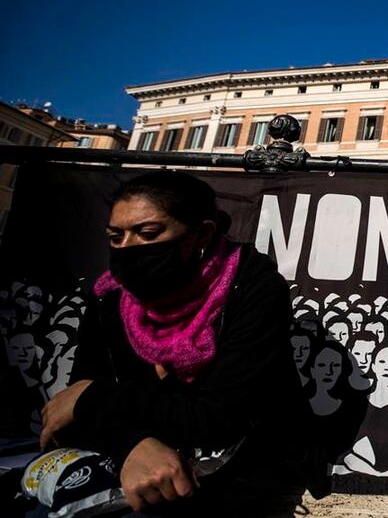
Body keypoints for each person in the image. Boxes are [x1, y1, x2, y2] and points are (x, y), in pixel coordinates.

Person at [39, 171, 307, 512]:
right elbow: (76, 407)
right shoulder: (109, 296)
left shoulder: (254, 287)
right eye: (116, 237)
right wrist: (133, 445)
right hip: (143, 475)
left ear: (201, 235)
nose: (128, 250)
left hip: (248, 477)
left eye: (148, 234)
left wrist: (98, 396)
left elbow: (220, 416)